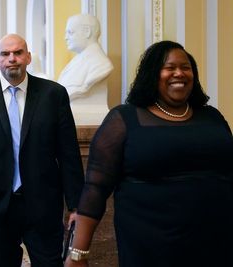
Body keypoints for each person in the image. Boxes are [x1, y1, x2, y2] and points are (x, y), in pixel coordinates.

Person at [65, 40, 233, 267]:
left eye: (185, 67)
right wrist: (78, 254)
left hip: (215, 244)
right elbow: (95, 188)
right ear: (152, 73)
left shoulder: (212, 117)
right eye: (169, 67)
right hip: (151, 247)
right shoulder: (124, 119)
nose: (179, 73)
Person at [0, 33, 85, 267]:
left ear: (28, 57)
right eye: (5, 54)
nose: (12, 58)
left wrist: (76, 205)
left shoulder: (53, 94)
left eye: (18, 53)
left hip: (43, 204)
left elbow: (69, 153)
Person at [58, 14, 113, 101]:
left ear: (87, 32)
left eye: (70, 32)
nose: (65, 38)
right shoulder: (76, 61)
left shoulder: (101, 64)